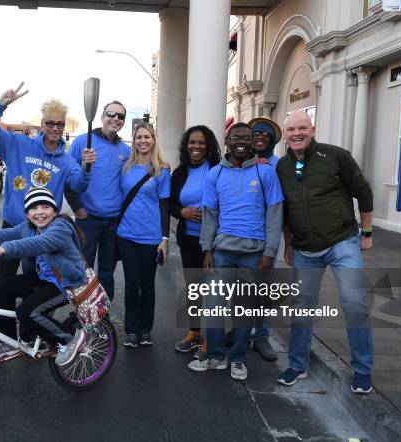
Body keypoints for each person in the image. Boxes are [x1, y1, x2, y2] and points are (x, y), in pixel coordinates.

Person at [0, 86, 94, 356]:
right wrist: (0, 105)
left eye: (59, 124)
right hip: (14, 228)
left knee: (38, 286)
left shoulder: (65, 161)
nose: (54, 128)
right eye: (50, 123)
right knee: (1, 285)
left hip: (41, 235)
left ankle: (31, 332)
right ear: (42, 123)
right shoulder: (19, 144)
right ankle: (0, 339)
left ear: (64, 126)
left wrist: (87, 168)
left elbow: (77, 185)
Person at [276, 111, 374, 394]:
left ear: (313, 129)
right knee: (301, 308)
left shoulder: (336, 156)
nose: (297, 133)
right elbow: (285, 210)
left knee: (354, 303)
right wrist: (290, 244)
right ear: (285, 134)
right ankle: (297, 364)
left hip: (342, 243)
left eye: (302, 128)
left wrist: (366, 233)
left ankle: (362, 369)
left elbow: (364, 193)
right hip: (305, 250)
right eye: (291, 129)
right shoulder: (282, 166)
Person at [0, 187, 87, 366]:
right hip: (45, 278)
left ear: (55, 210)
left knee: (27, 312)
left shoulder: (60, 227)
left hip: (66, 282)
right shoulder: (28, 228)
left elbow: (37, 244)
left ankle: (69, 340)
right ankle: (8, 341)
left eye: (45, 207)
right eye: (33, 208)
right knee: (3, 288)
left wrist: (2, 250)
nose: (39, 213)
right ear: (27, 213)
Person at [188, 123, 283, 381]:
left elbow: (275, 214)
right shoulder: (215, 174)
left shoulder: (265, 173)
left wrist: (270, 252)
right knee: (215, 306)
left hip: (254, 253)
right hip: (222, 253)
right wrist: (206, 248)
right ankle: (216, 356)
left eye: (247, 138)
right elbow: (210, 215)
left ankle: (239, 358)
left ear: (252, 142)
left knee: (244, 309)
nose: (241, 142)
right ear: (227, 141)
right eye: (236, 138)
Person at [65, 101, 131, 300]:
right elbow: (67, 177)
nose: (115, 119)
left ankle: (103, 316)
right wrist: (77, 208)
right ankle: (82, 316)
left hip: (113, 223)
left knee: (107, 273)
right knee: (83, 271)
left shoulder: (125, 150)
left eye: (121, 116)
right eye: (111, 113)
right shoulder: (82, 142)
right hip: (88, 220)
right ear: (102, 116)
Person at [116, 123, 170, 348]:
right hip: (126, 235)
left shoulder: (162, 170)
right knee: (131, 284)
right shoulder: (125, 168)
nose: (143, 141)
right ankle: (131, 329)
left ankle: (145, 329)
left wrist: (165, 240)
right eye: (138, 137)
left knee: (147, 285)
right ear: (134, 140)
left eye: (147, 137)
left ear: (154, 139)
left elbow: (164, 206)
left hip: (151, 237)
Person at [169, 125, 221, 354]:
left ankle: (212, 339)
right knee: (194, 289)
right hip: (189, 238)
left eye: (201, 142)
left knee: (214, 291)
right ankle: (194, 333)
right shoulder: (179, 173)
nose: (196, 147)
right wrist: (182, 212)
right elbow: (170, 203)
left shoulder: (220, 169)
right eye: (192, 142)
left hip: (216, 240)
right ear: (185, 146)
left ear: (208, 146)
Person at [240, 116, 284, 362]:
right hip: (240, 235)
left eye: (266, 135)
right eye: (256, 133)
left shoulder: (278, 164)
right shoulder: (238, 162)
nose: (260, 138)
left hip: (265, 236)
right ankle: (240, 333)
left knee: (261, 289)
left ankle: (261, 335)